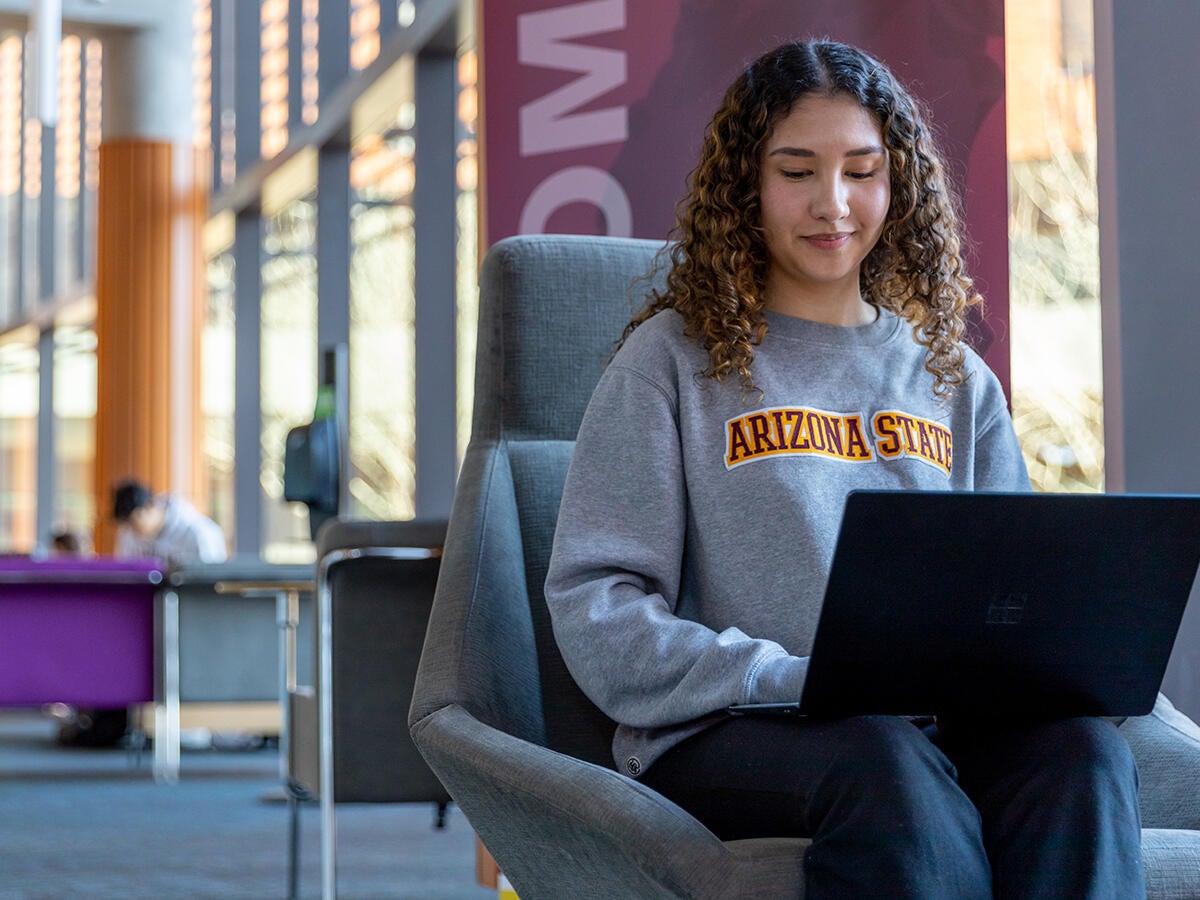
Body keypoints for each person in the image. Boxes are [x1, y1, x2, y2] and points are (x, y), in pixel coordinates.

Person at [544, 40, 1143, 899]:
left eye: (862, 171)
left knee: (1083, 754)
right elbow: (595, 606)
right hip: (732, 730)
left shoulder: (954, 380)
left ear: (896, 184)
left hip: (928, 726)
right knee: (881, 757)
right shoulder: (672, 363)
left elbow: (1015, 595)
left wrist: (1069, 665)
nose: (834, 204)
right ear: (746, 187)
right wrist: (779, 676)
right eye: (797, 171)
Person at [112, 478, 228, 567]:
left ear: (149, 507)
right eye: (128, 524)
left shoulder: (200, 533)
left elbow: (210, 582)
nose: (132, 529)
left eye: (134, 522)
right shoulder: (128, 533)